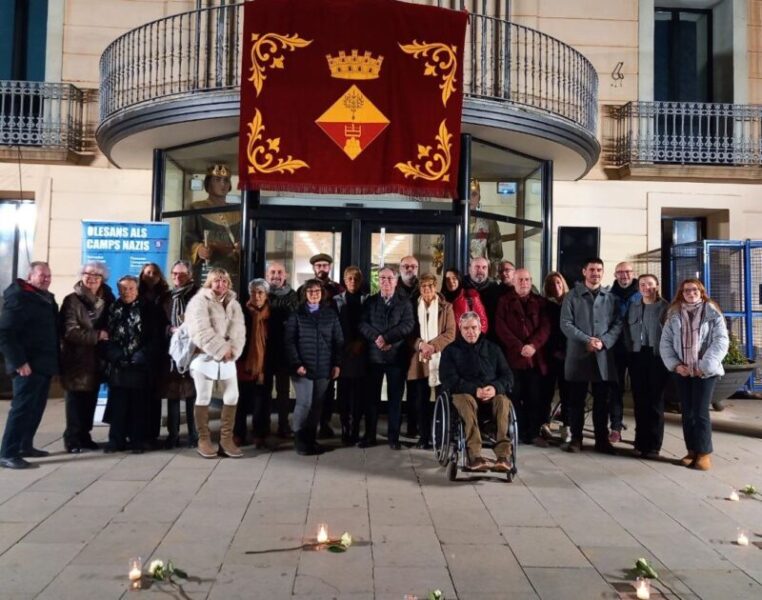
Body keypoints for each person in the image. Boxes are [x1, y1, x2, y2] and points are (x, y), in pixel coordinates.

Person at [660, 278, 728, 471]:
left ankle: (704, 453)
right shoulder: (673, 314)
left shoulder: (712, 312)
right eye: (687, 290)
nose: (691, 293)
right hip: (683, 371)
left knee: (700, 412)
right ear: (682, 293)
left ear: (701, 292)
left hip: (705, 372)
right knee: (687, 412)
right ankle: (691, 451)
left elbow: (721, 341)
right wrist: (675, 365)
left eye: (695, 290)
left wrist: (704, 366)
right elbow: (665, 342)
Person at [560, 258, 623, 454]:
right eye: (592, 269)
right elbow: (566, 323)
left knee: (602, 401)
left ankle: (601, 440)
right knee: (576, 401)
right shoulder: (572, 296)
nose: (595, 273)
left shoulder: (611, 298)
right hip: (579, 355)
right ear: (584, 271)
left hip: (602, 356)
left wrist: (603, 341)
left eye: (599, 270)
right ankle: (576, 439)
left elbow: (617, 323)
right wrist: (587, 339)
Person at [0, 262, 58, 469]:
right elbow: (5, 333)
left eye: (49, 276)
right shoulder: (19, 297)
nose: (47, 279)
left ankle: (25, 445)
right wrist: (19, 362)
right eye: (42, 275)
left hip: (43, 364)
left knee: (35, 408)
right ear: (30, 276)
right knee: (22, 409)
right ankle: (7, 453)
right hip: (27, 365)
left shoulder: (46, 298)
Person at [440, 312, 514, 472]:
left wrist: (495, 388)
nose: (470, 332)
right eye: (466, 328)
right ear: (460, 329)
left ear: (481, 328)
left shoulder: (493, 349)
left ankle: (503, 456)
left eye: (474, 327)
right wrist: (475, 390)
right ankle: (474, 455)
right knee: (466, 400)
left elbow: (508, 376)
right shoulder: (451, 351)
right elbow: (448, 379)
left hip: (491, 395)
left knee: (503, 401)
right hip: (464, 395)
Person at [185, 268, 246, 459]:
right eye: (217, 281)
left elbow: (239, 331)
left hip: (228, 359)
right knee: (204, 397)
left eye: (225, 281)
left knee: (233, 396)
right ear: (209, 283)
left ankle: (226, 439)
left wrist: (233, 351)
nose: (221, 284)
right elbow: (200, 330)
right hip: (204, 358)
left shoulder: (234, 304)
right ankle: (204, 439)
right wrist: (221, 349)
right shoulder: (199, 301)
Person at [60, 261, 115, 453]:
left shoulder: (108, 300)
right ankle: (72, 439)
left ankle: (85, 436)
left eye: (96, 276)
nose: (91, 279)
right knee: (75, 402)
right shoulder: (71, 300)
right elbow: (69, 331)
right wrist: (96, 335)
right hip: (76, 360)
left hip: (97, 361)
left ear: (102, 280)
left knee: (90, 401)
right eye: (88, 275)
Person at [284, 279, 343, 455]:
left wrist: (337, 364)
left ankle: (310, 439)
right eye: (310, 291)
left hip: (324, 367)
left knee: (317, 405)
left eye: (317, 291)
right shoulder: (297, 315)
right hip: (302, 368)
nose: (314, 294)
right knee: (304, 403)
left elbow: (338, 341)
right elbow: (289, 342)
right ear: (304, 294)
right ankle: (299, 439)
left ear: (322, 293)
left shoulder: (330, 314)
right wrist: (296, 364)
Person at [359, 266, 415, 449]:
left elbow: (408, 325)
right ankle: (369, 436)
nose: (386, 281)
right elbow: (362, 324)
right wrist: (377, 338)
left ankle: (393, 438)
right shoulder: (370, 301)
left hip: (396, 358)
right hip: (374, 357)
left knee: (395, 400)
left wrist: (388, 338)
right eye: (382, 278)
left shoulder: (405, 302)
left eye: (390, 278)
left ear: (396, 281)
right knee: (370, 399)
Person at [103, 275, 160, 454]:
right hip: (119, 365)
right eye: (123, 289)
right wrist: (116, 355)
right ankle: (115, 440)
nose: (127, 292)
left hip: (141, 365)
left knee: (139, 406)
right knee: (118, 406)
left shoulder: (150, 309)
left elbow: (156, 337)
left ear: (137, 289)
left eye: (131, 289)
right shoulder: (111, 308)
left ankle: (137, 441)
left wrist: (142, 354)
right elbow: (105, 337)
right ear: (118, 290)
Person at [495, 268, 551, 447]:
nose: (524, 283)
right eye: (520, 280)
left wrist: (533, 345)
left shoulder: (540, 302)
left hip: (534, 358)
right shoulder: (504, 301)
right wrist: (519, 347)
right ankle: (516, 432)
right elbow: (500, 328)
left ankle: (533, 433)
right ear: (513, 281)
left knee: (534, 397)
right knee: (514, 396)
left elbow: (545, 327)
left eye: (527, 279)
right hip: (513, 358)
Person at [407, 273, 456, 449]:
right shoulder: (412, 306)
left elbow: (450, 333)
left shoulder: (447, 307)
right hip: (419, 360)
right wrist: (421, 345)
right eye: (423, 286)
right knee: (421, 401)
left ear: (436, 287)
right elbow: (408, 331)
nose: (426, 289)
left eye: (430, 286)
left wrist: (432, 347)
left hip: (440, 359)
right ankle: (424, 437)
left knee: (443, 399)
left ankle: (442, 435)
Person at [625, 274, 669, 459]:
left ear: (657, 285)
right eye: (642, 284)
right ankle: (640, 442)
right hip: (637, 356)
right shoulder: (633, 307)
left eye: (650, 284)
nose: (646, 287)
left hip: (657, 358)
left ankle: (654, 445)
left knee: (655, 402)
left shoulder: (666, 308)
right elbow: (627, 331)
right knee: (640, 401)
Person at [162, 260, 199, 448]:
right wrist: (169, 329)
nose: (177, 277)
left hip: (193, 350)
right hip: (172, 352)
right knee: (173, 394)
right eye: (174, 274)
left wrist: (187, 329)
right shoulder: (166, 297)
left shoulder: (198, 295)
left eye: (182, 274)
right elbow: (160, 321)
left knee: (193, 395)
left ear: (190, 275)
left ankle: (194, 434)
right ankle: (173, 435)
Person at [185, 164, 241, 288]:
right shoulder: (196, 208)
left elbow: (244, 239)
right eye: (217, 180)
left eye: (226, 180)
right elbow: (188, 236)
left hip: (232, 272)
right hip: (207, 271)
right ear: (208, 184)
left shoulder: (238, 211)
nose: (223, 184)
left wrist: (240, 248)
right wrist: (198, 249)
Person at [235, 278, 272, 449]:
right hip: (244, 363)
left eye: (260, 293)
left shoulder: (272, 314)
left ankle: (260, 433)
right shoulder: (240, 312)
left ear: (266, 295)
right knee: (241, 400)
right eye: (254, 292)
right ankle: (238, 433)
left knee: (262, 400)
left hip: (265, 364)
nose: (257, 296)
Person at [608, 261, 642, 444]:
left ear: (633, 273)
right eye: (620, 272)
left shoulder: (642, 294)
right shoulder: (608, 295)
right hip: (615, 349)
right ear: (615, 275)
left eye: (627, 272)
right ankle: (615, 427)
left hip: (637, 350)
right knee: (615, 390)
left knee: (639, 391)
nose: (624, 275)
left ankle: (641, 431)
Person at [334, 266, 368, 445]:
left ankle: (355, 428)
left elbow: (370, 323)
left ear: (360, 280)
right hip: (343, 352)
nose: (353, 281)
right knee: (344, 393)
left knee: (359, 394)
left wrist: (360, 343)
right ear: (344, 281)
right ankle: (345, 428)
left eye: (356, 278)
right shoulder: (336, 300)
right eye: (349, 278)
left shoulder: (367, 300)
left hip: (361, 352)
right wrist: (345, 345)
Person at [139, 262, 171, 448]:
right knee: (140, 394)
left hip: (159, 349)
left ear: (160, 276)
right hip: (141, 350)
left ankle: (153, 433)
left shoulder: (165, 296)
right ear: (142, 274)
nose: (151, 276)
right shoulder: (136, 293)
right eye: (147, 272)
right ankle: (139, 432)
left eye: (154, 273)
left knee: (155, 394)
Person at [265, 261, 299, 437]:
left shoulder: (293, 295)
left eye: (279, 272)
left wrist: (271, 310)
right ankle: (263, 426)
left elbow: (293, 315)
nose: (276, 275)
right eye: (272, 272)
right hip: (264, 351)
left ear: (285, 275)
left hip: (284, 351)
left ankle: (283, 426)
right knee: (263, 390)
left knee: (283, 392)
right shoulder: (261, 293)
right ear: (266, 275)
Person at [542, 271, 571, 443]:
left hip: (568, 354)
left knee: (567, 393)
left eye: (559, 283)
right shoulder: (544, 305)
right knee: (546, 392)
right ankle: (545, 423)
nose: (556, 287)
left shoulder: (570, 302)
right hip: (549, 355)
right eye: (552, 284)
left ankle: (567, 425)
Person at [464, 257, 503, 337]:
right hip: (465, 336)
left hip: (490, 338)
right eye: (477, 267)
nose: (480, 271)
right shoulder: (461, 286)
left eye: (484, 267)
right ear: (470, 269)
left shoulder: (496, 289)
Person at [440, 268, 488, 334]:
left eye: (454, 278)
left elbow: (482, 321)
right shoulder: (441, 300)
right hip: (448, 341)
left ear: (459, 279)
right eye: (447, 279)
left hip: (468, 340)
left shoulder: (470, 296)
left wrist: (476, 339)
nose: (451, 281)